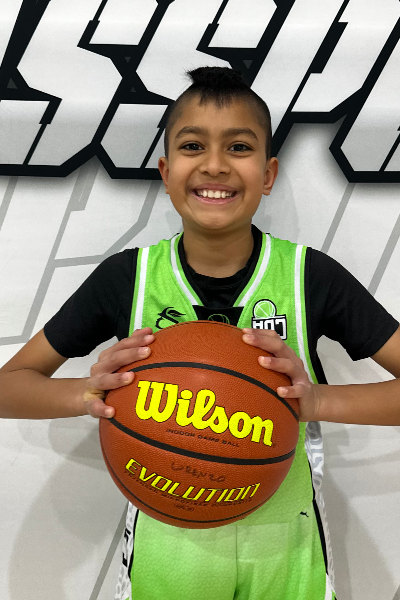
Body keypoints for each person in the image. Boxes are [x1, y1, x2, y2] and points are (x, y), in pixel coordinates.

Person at [1, 66, 399, 600]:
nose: (214, 164)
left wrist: (318, 401)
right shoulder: (127, 278)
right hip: (167, 544)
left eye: (239, 147)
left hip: (285, 542)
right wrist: (86, 393)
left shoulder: (310, 276)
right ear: (166, 172)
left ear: (269, 173)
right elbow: (8, 387)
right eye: (193, 146)